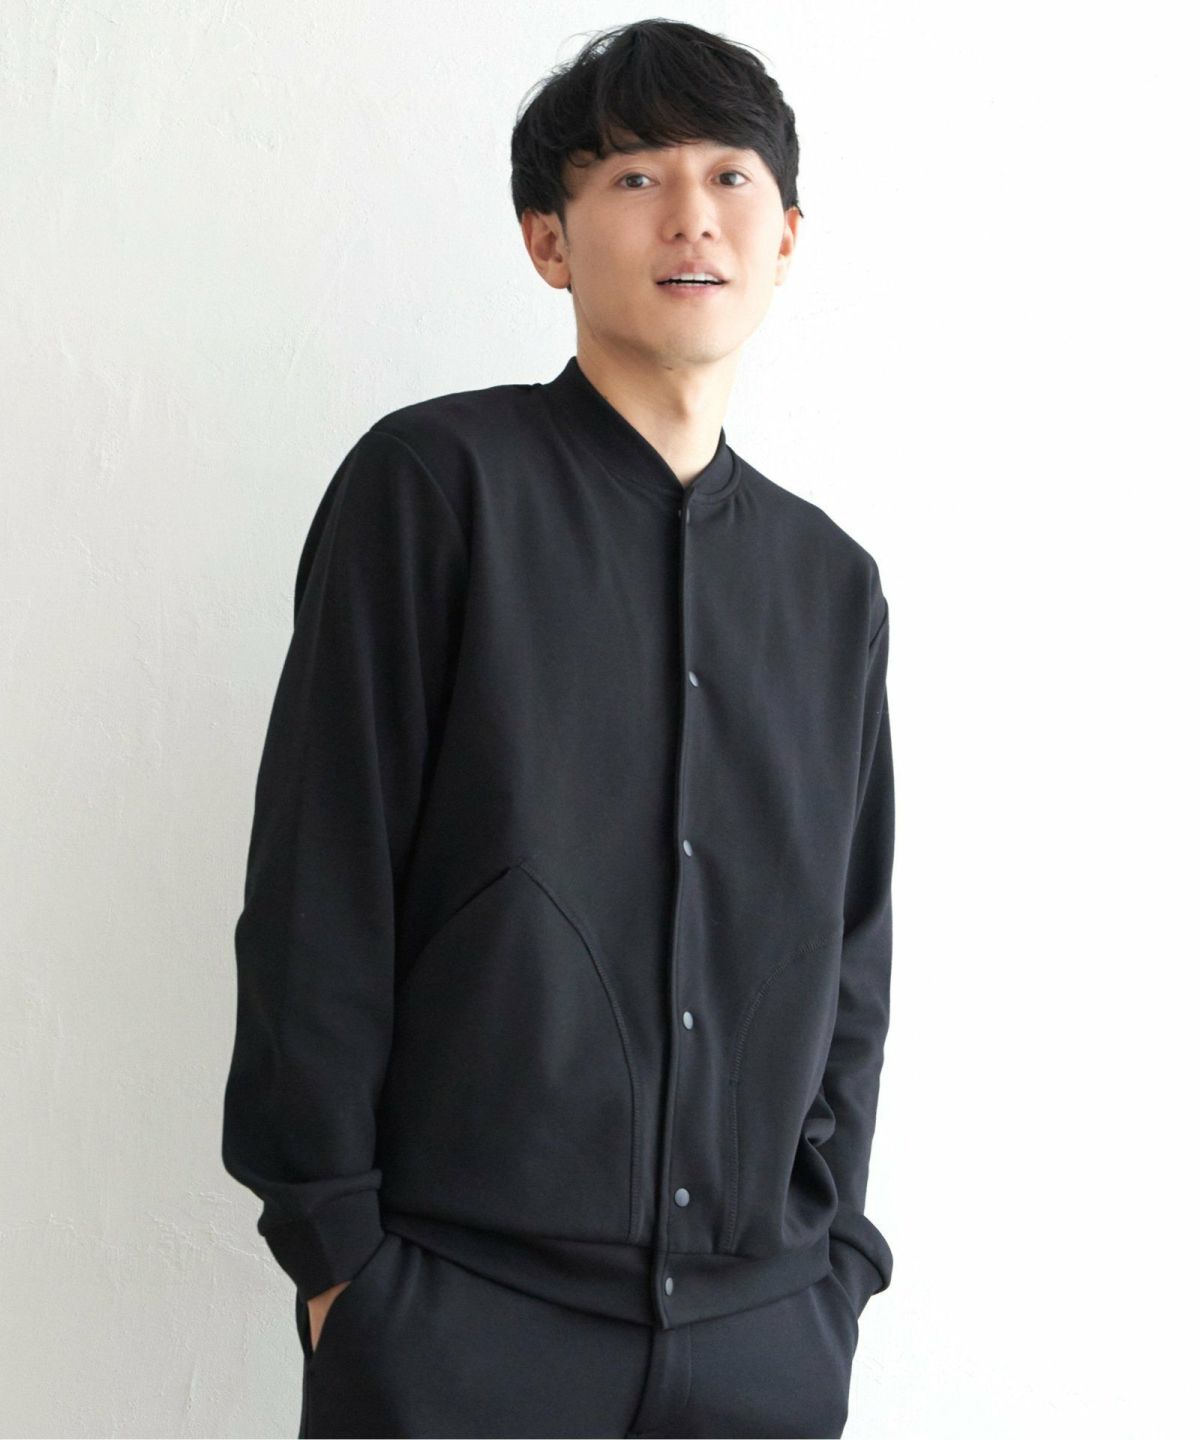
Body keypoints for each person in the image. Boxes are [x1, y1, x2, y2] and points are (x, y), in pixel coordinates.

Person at [222, 18, 896, 1438]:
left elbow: (851, 954)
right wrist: (340, 1263)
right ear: (549, 241)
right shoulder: (434, 487)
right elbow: (318, 885)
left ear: (787, 238)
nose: (692, 213)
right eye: (636, 177)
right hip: (460, 1323)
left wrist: (831, 1268)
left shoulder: (832, 586)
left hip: (762, 1339)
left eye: (731, 175)